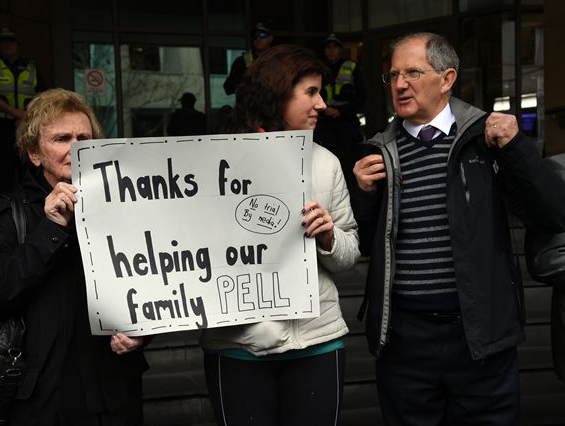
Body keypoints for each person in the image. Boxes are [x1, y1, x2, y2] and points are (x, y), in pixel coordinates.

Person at [351, 32, 565, 425]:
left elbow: (552, 214)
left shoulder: (488, 138)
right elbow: (363, 248)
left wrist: (518, 148)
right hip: (405, 343)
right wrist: (363, 195)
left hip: (479, 337)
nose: (399, 84)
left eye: (413, 72)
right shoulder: (378, 153)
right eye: (393, 75)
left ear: (447, 78)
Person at [201, 44, 361, 426]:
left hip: (317, 343)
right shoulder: (212, 161)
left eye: (321, 92)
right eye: (310, 92)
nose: (321, 104)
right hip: (237, 346)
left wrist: (329, 238)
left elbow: (349, 255)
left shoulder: (326, 161)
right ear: (277, 94)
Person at [0, 88, 148, 425]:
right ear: (35, 153)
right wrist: (50, 228)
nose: (75, 148)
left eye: (84, 137)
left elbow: (155, 281)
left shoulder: (124, 206)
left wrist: (144, 329)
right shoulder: (9, 214)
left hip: (112, 392)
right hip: (39, 397)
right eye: (62, 138)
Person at [0, 27, 46, 194]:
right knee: (2, 177)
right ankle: (3, 216)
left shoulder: (30, 66)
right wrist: (17, 113)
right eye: (4, 41)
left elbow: (42, 95)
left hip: (26, 129)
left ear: (18, 44)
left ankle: (29, 214)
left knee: (30, 174)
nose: (8, 45)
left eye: (11, 41)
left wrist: (26, 116)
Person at [314, 33, 366, 190]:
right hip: (324, 124)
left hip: (346, 124)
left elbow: (362, 98)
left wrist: (340, 111)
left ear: (340, 49)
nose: (331, 51)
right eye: (328, 47)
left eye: (334, 47)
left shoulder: (351, 67)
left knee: (348, 166)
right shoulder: (318, 69)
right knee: (325, 165)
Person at [223, 22, 274, 96]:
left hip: (271, 106)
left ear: (270, 38)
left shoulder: (277, 61)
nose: (258, 38)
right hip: (248, 105)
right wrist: (245, 78)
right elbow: (228, 88)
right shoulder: (241, 61)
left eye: (262, 35)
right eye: (255, 36)